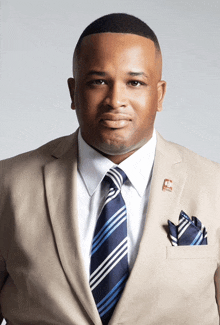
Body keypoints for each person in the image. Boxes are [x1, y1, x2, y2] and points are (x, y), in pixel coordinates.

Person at [0, 13, 220, 325]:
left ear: (159, 94)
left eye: (135, 83)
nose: (116, 100)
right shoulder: (7, 185)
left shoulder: (215, 186)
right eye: (98, 82)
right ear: (73, 92)